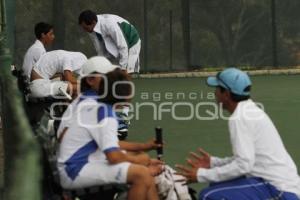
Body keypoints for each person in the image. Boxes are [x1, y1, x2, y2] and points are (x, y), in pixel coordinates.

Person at [176, 68, 300, 200]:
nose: (215, 93)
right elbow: (247, 159)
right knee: (216, 183)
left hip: (279, 190)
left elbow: (243, 165)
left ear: (226, 93)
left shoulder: (239, 117)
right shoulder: (249, 110)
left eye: (217, 88)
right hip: (278, 184)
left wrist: (201, 175)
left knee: (208, 196)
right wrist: (214, 163)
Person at [56, 56, 162, 200]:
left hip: (77, 162)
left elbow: (107, 144)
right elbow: (112, 156)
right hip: (75, 169)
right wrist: (143, 160)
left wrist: (142, 150)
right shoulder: (97, 108)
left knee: (142, 168)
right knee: (142, 174)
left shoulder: (95, 104)